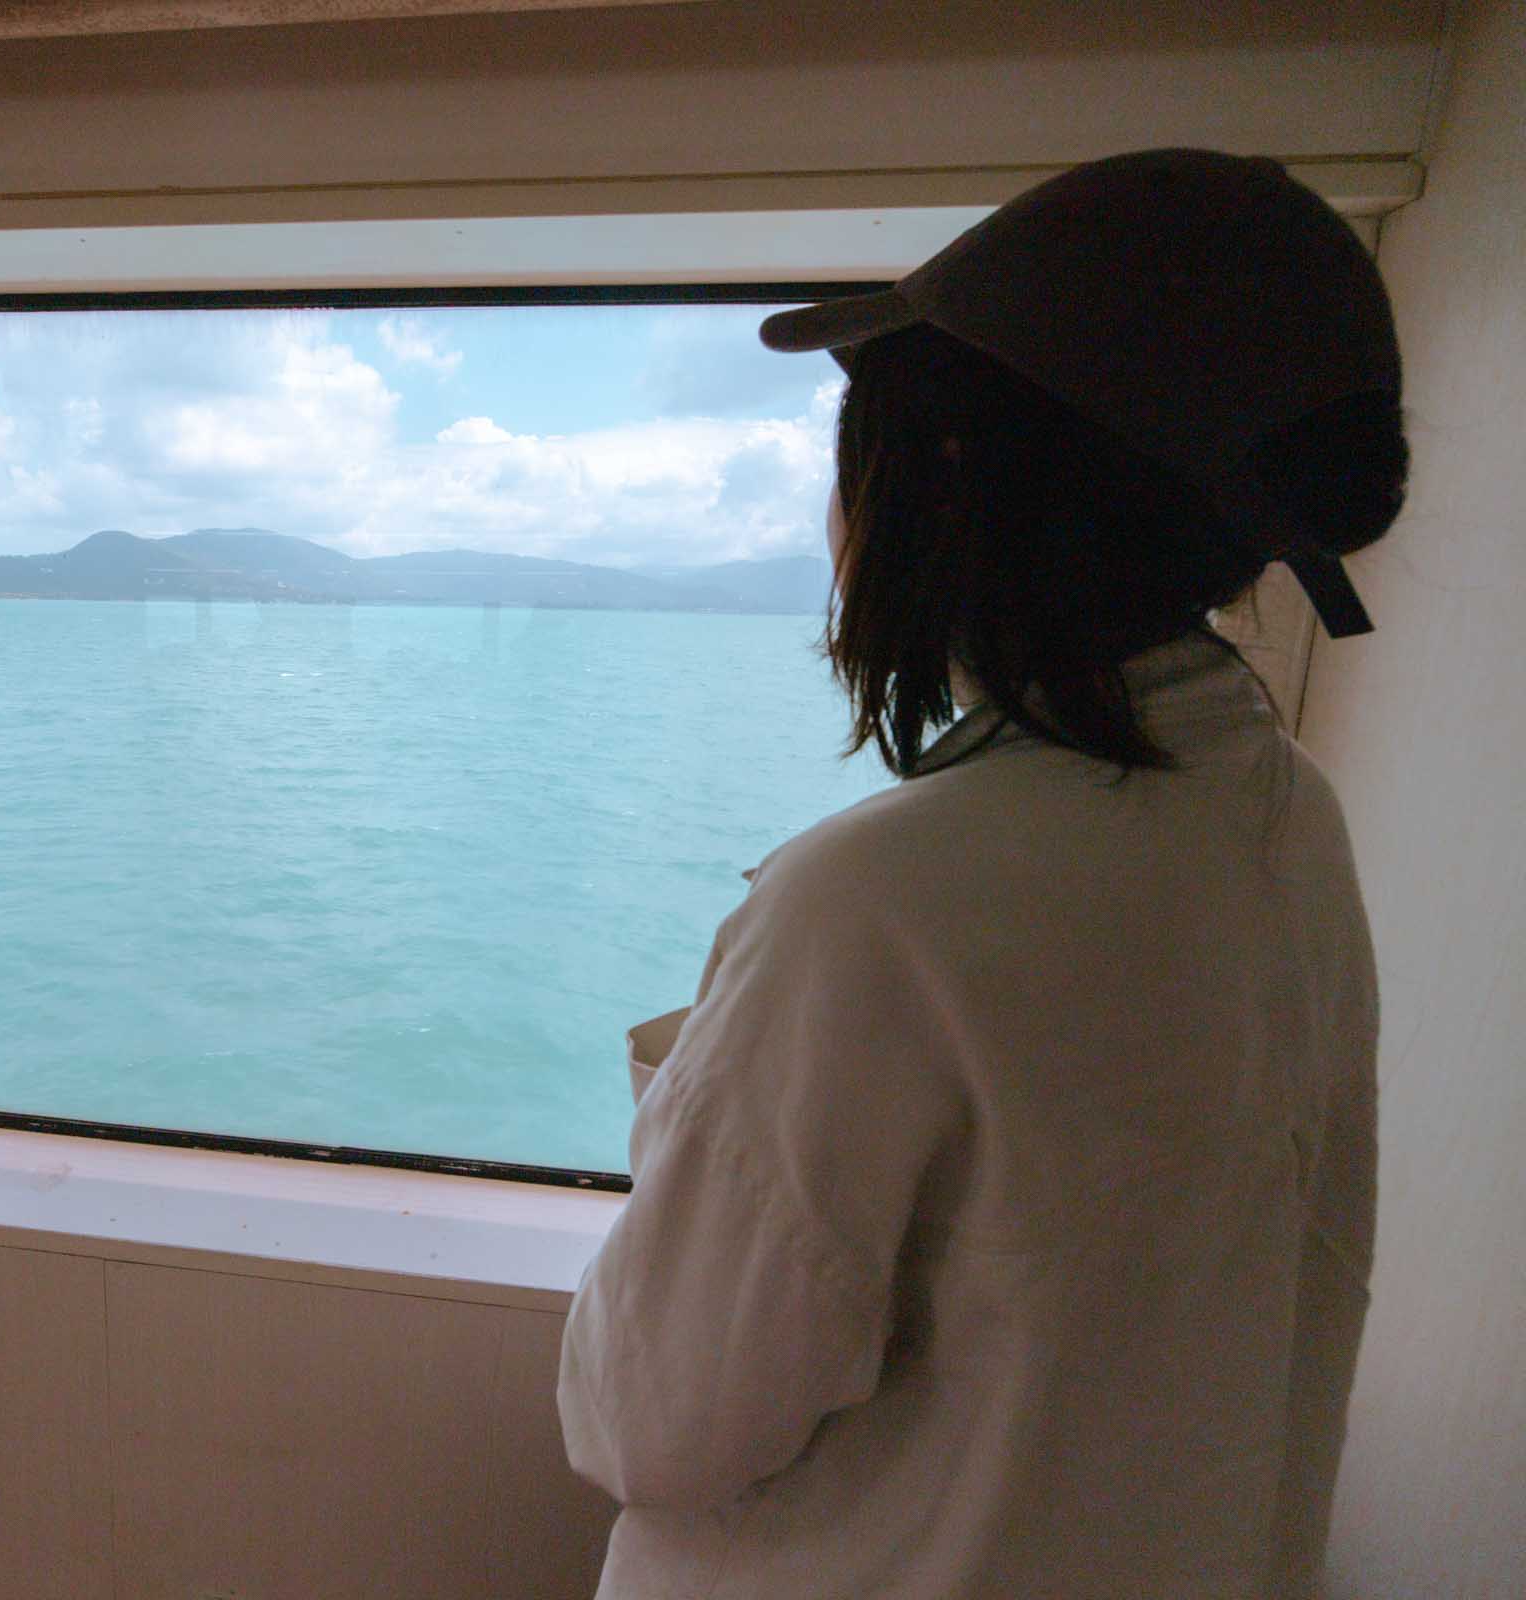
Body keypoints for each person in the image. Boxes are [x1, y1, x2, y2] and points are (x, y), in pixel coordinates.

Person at [556, 148, 1407, 1600]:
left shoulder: (875, 903)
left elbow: (648, 1422)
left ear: (951, 488)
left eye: (856, 461)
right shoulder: (1284, 818)